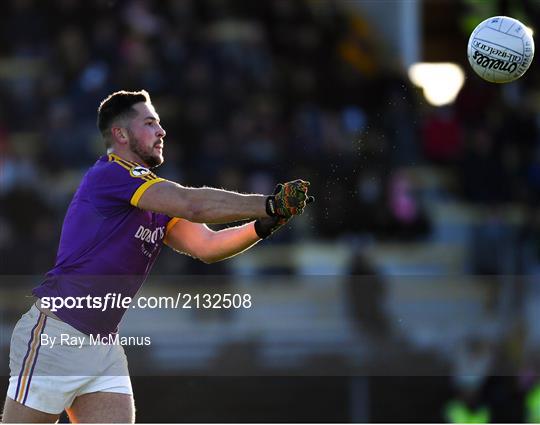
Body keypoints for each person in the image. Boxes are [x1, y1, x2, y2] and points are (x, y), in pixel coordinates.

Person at [1, 90, 313, 423]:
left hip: (103, 344)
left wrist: (263, 225)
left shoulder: (154, 196)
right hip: (59, 334)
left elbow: (206, 246)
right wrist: (269, 203)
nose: (161, 131)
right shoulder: (112, 174)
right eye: (150, 123)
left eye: (160, 124)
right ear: (120, 134)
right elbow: (193, 204)